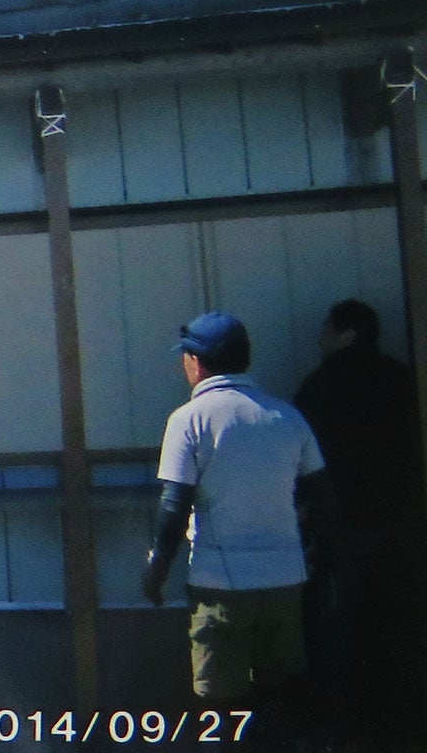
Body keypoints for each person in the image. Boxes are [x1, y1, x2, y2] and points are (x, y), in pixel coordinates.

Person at [142, 312, 332, 742]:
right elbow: (322, 494)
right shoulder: (287, 417)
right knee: (281, 688)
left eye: (186, 357)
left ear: (197, 362)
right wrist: (321, 555)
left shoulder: (189, 420)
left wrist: (157, 567)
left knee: (219, 700)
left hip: (219, 584)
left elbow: (174, 506)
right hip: (285, 578)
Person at [292, 298, 425, 742]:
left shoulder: (320, 386)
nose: (320, 337)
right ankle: (404, 715)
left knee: (344, 621)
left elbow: (304, 462)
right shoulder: (402, 378)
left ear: (347, 333)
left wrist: (307, 515)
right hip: (405, 520)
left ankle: (349, 719)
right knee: (401, 617)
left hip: (344, 524)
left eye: (327, 328)